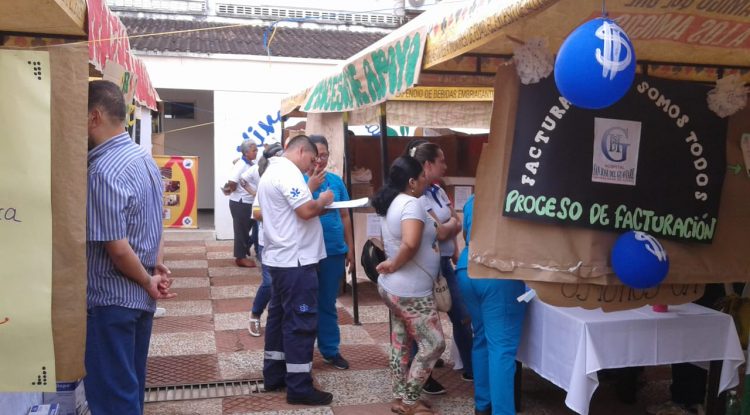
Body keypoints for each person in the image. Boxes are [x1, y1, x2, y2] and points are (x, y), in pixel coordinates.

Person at [84, 80, 176, 415]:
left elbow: (118, 248)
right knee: (129, 388)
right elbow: (157, 225)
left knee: (112, 397)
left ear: (94, 117)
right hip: (138, 299)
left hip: (111, 300)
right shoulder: (144, 158)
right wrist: (155, 268)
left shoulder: (103, 171)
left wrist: (147, 279)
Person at [257, 135, 334, 406]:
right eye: (311, 160)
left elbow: (294, 214)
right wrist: (323, 199)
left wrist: (316, 205)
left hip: (280, 259)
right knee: (301, 323)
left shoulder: (272, 171)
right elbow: (304, 211)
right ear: (301, 151)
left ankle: (275, 374)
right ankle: (300, 386)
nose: (311, 166)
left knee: (279, 319)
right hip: (296, 261)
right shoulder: (288, 173)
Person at [373, 156, 446, 415]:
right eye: (423, 176)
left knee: (400, 342)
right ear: (412, 182)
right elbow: (410, 243)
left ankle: (399, 397)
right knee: (434, 343)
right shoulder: (411, 204)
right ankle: (410, 400)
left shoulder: (392, 201)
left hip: (396, 288)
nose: (427, 179)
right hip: (411, 292)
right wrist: (393, 264)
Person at [405, 140, 473, 394]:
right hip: (425, 267)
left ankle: (470, 365)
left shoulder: (438, 191)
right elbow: (440, 230)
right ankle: (423, 374)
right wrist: (451, 227)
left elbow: (454, 223)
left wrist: (454, 245)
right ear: (427, 165)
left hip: (445, 263)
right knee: (425, 323)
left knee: (462, 315)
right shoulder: (416, 196)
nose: (445, 165)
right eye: (441, 161)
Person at [456, 194, 526, 415]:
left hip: (467, 269)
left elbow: (466, 233)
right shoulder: (518, 196)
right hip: (498, 273)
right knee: (502, 349)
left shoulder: (475, 198)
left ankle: (482, 405)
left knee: (482, 339)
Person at [305, 135, 354, 370]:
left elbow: (345, 215)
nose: (321, 160)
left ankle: (330, 349)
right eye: (317, 155)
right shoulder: (299, 181)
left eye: (325, 155)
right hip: (306, 251)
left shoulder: (335, 181)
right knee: (304, 302)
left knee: (327, 301)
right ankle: (301, 350)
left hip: (333, 249)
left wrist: (350, 248)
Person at [245, 143, 283, 337]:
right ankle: (255, 313)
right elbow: (257, 213)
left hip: (285, 242)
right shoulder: (266, 183)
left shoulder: (289, 180)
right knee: (269, 282)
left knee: (282, 283)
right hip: (265, 241)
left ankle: (277, 320)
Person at [222, 140, 258, 267]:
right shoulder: (241, 164)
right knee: (241, 231)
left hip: (248, 202)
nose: (256, 152)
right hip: (240, 202)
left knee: (251, 227)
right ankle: (240, 258)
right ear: (246, 152)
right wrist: (230, 190)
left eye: (256, 150)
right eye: (254, 150)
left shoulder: (249, 163)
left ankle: (245, 247)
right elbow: (232, 181)